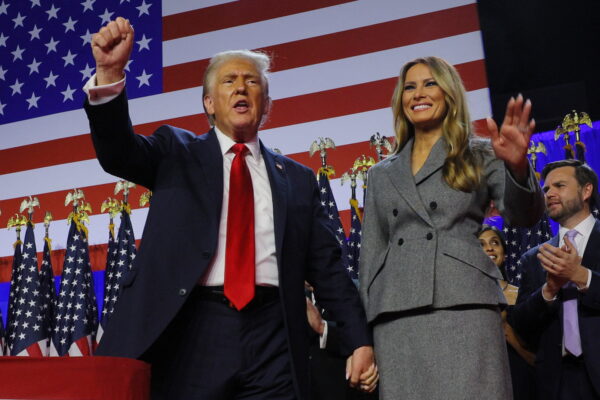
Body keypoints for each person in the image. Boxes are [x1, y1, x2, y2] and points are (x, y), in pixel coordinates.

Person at [86, 17, 376, 400]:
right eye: (229, 81)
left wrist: (359, 341)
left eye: (252, 81)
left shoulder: (299, 181)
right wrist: (109, 73)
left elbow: (327, 269)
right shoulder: (176, 151)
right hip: (196, 327)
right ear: (209, 102)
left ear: (266, 104)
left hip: (274, 332)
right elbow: (118, 153)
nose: (241, 86)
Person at [358, 56, 544, 400]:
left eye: (430, 83)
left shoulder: (481, 153)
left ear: (450, 94)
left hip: (464, 304)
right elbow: (371, 255)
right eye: (409, 87)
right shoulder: (381, 173)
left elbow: (524, 216)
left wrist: (518, 168)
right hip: (396, 316)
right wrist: (362, 337)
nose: (418, 93)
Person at [512, 159, 600, 400]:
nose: (549, 193)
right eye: (546, 189)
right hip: (555, 383)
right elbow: (520, 324)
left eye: (559, 185)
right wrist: (548, 290)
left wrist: (580, 275)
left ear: (586, 190)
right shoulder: (534, 258)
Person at [478, 225, 536, 400]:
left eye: (495, 243)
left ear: (503, 252)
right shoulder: (464, 298)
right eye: (481, 244)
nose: (489, 248)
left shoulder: (519, 294)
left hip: (516, 372)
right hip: (480, 372)